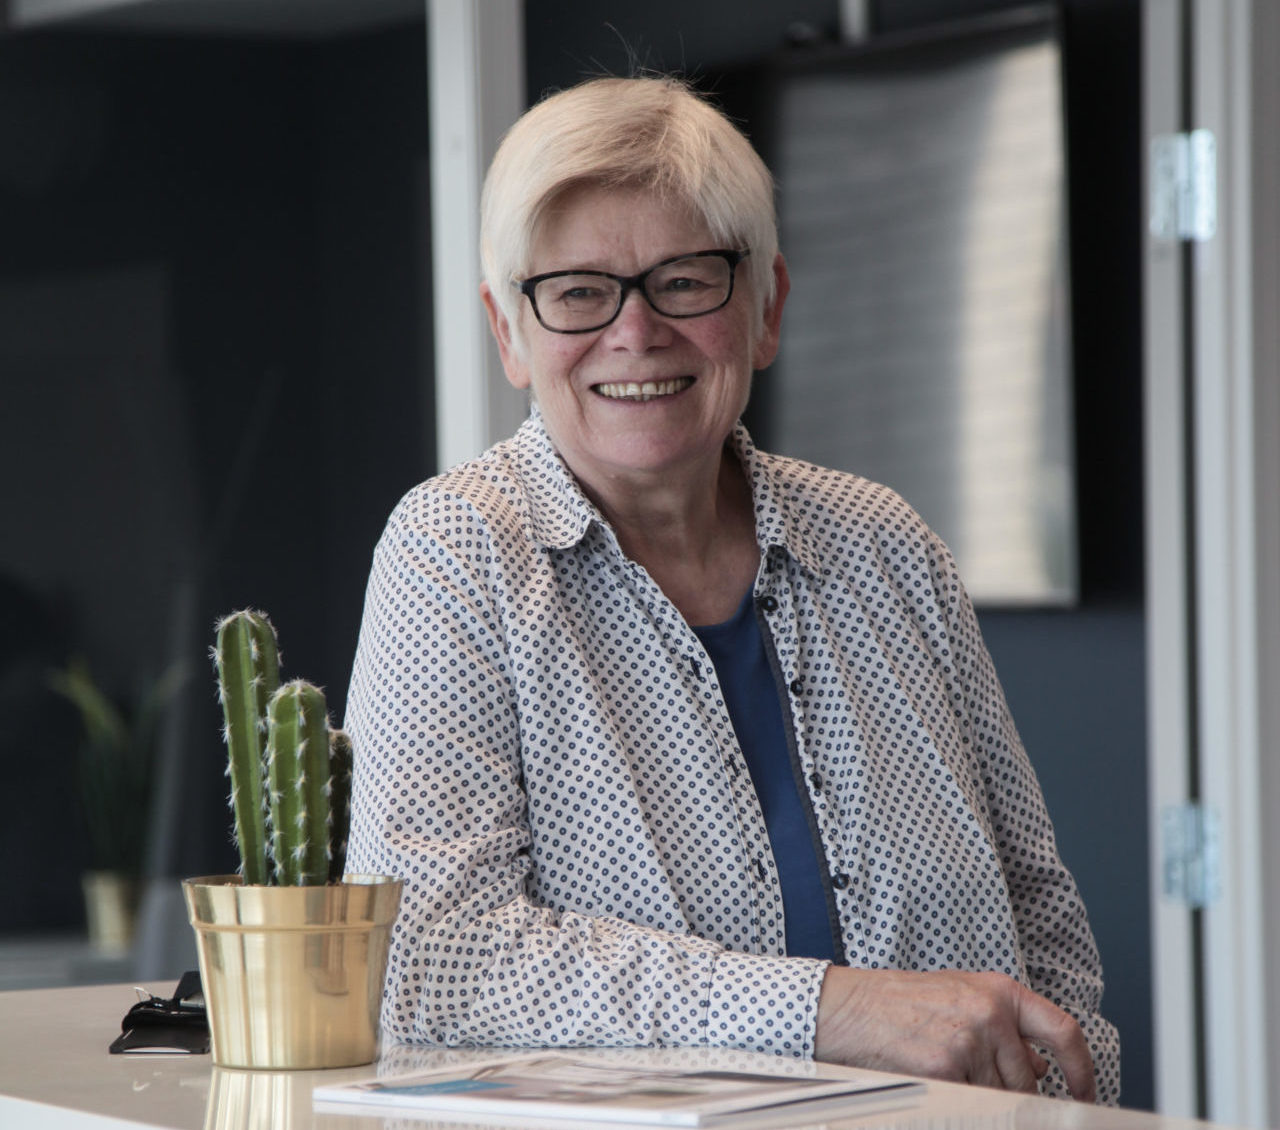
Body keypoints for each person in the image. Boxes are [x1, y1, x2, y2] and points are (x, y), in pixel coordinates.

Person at [344, 74, 1120, 1104]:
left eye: (683, 279)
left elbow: (1043, 918)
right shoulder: (457, 551)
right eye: (577, 290)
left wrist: (1073, 1097)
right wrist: (836, 1008)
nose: (635, 332)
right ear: (508, 333)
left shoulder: (886, 545)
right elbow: (431, 959)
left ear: (764, 308)